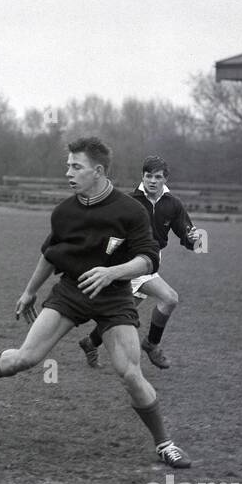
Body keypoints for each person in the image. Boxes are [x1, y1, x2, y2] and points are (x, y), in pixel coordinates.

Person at [0, 137, 192, 469]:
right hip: (71, 293)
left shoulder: (130, 210)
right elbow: (50, 254)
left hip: (115, 298)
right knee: (24, 359)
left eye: (76, 167)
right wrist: (30, 291)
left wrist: (111, 272)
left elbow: (149, 260)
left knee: (131, 374)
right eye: (68, 166)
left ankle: (164, 444)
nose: (68, 173)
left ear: (98, 171)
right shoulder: (64, 212)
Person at [78, 155, 202, 370]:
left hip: (152, 261)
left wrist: (193, 239)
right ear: (142, 177)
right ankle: (151, 344)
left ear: (165, 179)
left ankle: (90, 342)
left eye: (158, 177)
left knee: (123, 312)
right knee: (169, 298)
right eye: (148, 176)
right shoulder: (130, 201)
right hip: (130, 261)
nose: (153, 181)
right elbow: (109, 231)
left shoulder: (173, 204)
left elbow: (186, 235)